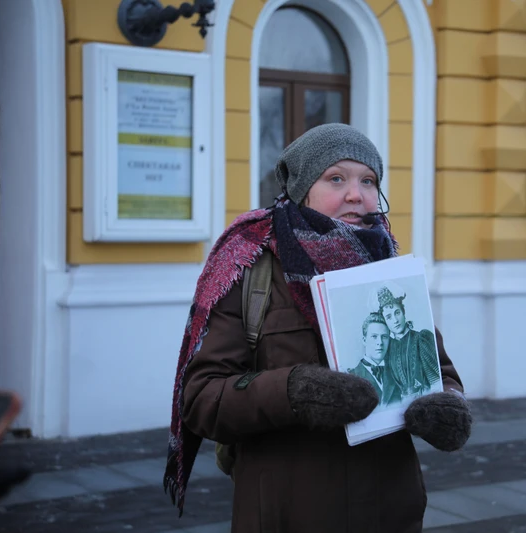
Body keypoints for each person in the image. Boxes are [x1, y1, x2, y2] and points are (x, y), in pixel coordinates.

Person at [163, 123, 472, 533]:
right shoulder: (249, 265)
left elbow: (438, 370)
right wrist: (294, 391)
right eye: (336, 178)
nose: (355, 194)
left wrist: (448, 407)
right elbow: (202, 398)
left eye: (368, 180)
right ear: (302, 187)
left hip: (390, 511)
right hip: (286, 513)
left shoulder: (387, 267)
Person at [378, 285, 440, 400]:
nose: (395, 320)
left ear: (403, 312)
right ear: (385, 322)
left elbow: (436, 381)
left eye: (397, 313)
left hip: (426, 400)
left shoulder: (421, 339)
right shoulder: (389, 348)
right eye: (389, 317)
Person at [347, 312, 401, 406]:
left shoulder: (397, 374)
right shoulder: (351, 376)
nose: (380, 342)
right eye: (374, 337)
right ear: (364, 340)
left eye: (384, 337)